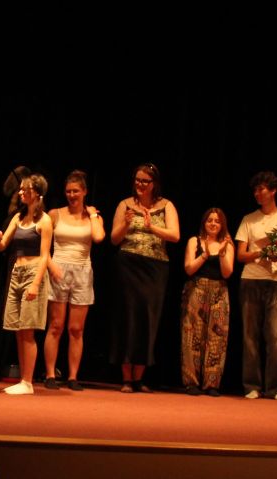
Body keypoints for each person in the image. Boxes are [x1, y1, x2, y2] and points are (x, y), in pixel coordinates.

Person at [109, 163, 180, 393]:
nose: (140, 184)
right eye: (137, 180)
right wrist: (126, 223)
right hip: (128, 265)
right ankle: (126, 379)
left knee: (147, 319)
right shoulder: (125, 205)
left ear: (154, 184)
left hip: (155, 268)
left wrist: (152, 227)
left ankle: (139, 378)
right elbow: (114, 239)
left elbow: (175, 236)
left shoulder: (166, 205)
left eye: (144, 181)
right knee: (128, 317)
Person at [235, 170, 277, 401]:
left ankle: (276, 388)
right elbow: (241, 255)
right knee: (250, 336)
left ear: (273, 191)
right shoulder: (248, 219)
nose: (257, 193)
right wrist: (261, 252)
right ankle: (252, 385)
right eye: (255, 190)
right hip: (251, 280)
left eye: (261, 189)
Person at [43, 170, 106, 391]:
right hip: (59, 268)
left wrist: (93, 215)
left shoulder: (93, 217)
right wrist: (51, 265)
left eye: (76, 191)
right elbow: (43, 245)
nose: (72, 195)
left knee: (76, 329)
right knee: (56, 326)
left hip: (82, 272)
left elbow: (98, 237)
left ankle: (72, 376)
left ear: (84, 192)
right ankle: (50, 374)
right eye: (68, 191)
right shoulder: (55, 214)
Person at [0, 173, 52, 395]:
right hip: (17, 272)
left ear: (36, 193)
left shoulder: (44, 220)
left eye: (24, 189)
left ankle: (28, 381)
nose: (20, 193)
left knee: (28, 330)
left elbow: (45, 256)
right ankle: (23, 380)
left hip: (33, 272)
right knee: (18, 330)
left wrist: (36, 284)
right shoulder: (18, 218)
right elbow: (2, 245)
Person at [181, 207, 234, 397]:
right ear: (204, 222)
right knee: (192, 336)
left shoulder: (227, 245)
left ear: (222, 225)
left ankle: (212, 383)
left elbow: (227, 273)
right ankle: (191, 382)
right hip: (197, 288)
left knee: (217, 338)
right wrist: (205, 254)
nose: (213, 223)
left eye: (217, 221)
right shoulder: (194, 241)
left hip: (219, 291)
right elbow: (189, 268)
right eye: (210, 220)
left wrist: (221, 252)